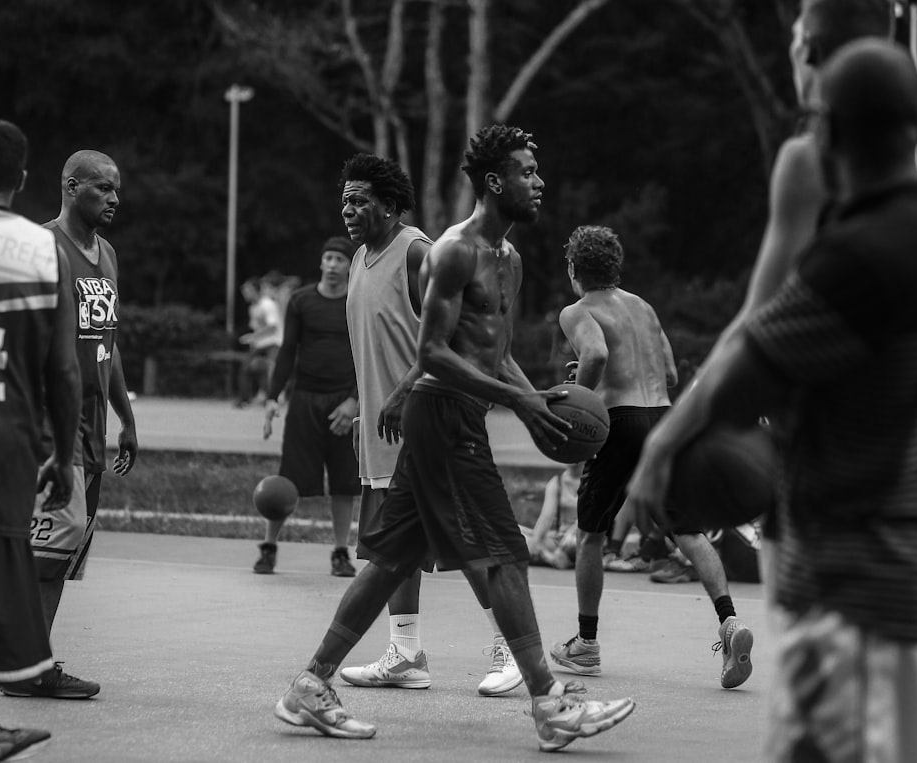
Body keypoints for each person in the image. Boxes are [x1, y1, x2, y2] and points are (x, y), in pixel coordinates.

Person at [631, 38, 917, 762]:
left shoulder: (853, 260)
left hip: (849, 596)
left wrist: (669, 453)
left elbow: (741, 387)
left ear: (826, 135)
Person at [274, 125, 635, 751]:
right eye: (527, 170)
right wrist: (516, 399)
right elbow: (433, 352)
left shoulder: (511, 259)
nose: (539, 181)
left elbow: (494, 353)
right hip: (441, 415)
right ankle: (549, 702)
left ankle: (311, 683)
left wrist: (533, 399)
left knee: (391, 559)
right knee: (501, 553)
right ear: (495, 182)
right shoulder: (452, 252)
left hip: (460, 414)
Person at [626, 0, 893, 605]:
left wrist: (666, 443)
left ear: (809, 53)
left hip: (825, 476)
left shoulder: (812, 159)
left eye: (797, 35)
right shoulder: (912, 171)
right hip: (905, 484)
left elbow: (757, 322)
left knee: (819, 690)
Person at [339, 153, 522, 696]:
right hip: (382, 430)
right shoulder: (359, 257)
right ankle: (406, 653)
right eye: (344, 199)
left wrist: (401, 393)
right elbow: (373, 343)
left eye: (360, 200)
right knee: (392, 550)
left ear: (391, 206)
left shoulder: (417, 252)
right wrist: (360, 404)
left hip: (425, 420)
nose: (348, 209)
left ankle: (507, 648)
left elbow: (451, 339)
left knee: (461, 538)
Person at [548, 225, 752, 689]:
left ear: (574, 270)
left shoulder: (575, 310)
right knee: (687, 528)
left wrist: (579, 394)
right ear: (616, 267)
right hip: (662, 418)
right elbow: (672, 373)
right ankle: (730, 622)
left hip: (620, 423)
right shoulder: (643, 307)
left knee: (592, 534)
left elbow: (596, 351)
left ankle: (586, 644)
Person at [0, 119, 80, 762]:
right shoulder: (42, 248)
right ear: (23, 182)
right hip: (2, 448)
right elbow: (63, 368)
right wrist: (61, 451)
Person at [2, 149, 139, 701]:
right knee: (39, 553)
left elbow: (107, 341)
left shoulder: (106, 254)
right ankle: (18, 665)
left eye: (116, 190)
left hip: (93, 428)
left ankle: (31, 661)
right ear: (69, 185)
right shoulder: (40, 247)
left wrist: (125, 416)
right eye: (102, 188)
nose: (113, 199)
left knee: (60, 557)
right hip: (49, 426)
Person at [257, 237, 360, 577]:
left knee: (346, 482)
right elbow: (287, 351)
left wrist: (354, 401)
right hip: (305, 400)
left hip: (343, 404)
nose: (333, 265)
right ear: (321, 263)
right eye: (328, 258)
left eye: (339, 260)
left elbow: (368, 357)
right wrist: (273, 398)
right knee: (289, 479)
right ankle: (269, 547)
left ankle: (341, 552)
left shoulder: (358, 302)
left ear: (349, 265)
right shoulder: (302, 301)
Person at [521, 462, 581, 570]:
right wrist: (535, 541)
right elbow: (546, 518)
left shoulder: (592, 481)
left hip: (580, 537)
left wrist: (572, 532)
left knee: (572, 543)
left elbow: (589, 517)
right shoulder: (556, 482)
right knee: (516, 532)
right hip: (558, 539)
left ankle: (549, 556)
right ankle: (547, 556)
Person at [236, 276, 282, 406]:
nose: (245, 294)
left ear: (255, 290)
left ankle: (272, 397)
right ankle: (245, 399)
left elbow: (273, 327)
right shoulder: (253, 307)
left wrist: (253, 336)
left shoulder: (267, 304)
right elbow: (256, 326)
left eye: (247, 290)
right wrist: (254, 340)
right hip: (260, 343)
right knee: (246, 367)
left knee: (271, 370)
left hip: (273, 342)